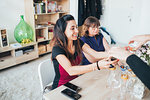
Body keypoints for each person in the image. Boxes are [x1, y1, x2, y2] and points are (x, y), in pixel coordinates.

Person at [50, 14, 118, 89]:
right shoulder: (57, 49)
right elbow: (70, 70)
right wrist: (97, 66)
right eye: (72, 28)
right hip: (61, 86)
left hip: (76, 82)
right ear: (62, 31)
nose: (76, 31)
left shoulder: (77, 42)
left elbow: (95, 54)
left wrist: (116, 54)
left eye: (76, 27)